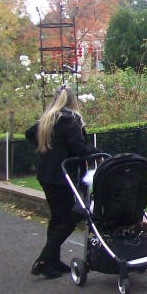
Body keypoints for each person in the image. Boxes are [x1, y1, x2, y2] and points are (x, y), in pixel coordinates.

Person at [25, 86, 98, 278]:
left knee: (57, 218)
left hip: (46, 175)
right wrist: (97, 152)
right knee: (68, 220)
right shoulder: (71, 120)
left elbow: (29, 133)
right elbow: (79, 148)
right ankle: (43, 260)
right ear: (73, 101)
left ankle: (52, 261)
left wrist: (47, 151)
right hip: (62, 177)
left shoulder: (49, 119)